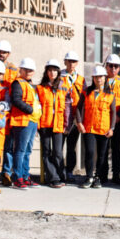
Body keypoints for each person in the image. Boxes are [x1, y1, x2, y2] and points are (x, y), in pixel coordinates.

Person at [75, 65, 116, 189]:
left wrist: (112, 128)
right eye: (96, 77)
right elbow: (78, 108)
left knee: (102, 155)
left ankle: (98, 177)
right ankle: (89, 177)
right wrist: (79, 123)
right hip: (89, 128)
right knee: (90, 152)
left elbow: (113, 112)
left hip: (104, 129)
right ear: (93, 78)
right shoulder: (86, 92)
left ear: (105, 78)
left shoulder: (110, 94)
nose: (99, 79)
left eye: (101, 76)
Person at [36, 59, 71, 187]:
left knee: (58, 152)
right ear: (46, 72)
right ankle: (53, 178)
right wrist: (37, 125)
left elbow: (67, 108)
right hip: (45, 124)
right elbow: (36, 107)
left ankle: (61, 176)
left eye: (55, 70)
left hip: (58, 124)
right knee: (46, 152)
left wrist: (67, 124)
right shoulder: (40, 88)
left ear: (58, 72)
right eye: (50, 70)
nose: (52, 73)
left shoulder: (64, 87)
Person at [8, 57, 41, 188]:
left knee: (27, 150)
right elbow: (16, 100)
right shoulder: (17, 83)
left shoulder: (29, 84)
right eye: (25, 69)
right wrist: (30, 110)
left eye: (30, 70)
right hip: (22, 121)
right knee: (20, 150)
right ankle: (18, 177)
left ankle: (25, 176)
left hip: (32, 121)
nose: (28, 72)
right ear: (20, 70)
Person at [100, 54, 120, 185]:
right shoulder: (100, 80)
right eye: (110, 66)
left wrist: (118, 116)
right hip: (103, 120)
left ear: (119, 68)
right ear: (106, 66)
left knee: (116, 148)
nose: (113, 68)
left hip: (118, 121)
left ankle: (116, 175)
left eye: (116, 66)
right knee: (103, 148)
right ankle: (103, 175)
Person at [61, 50, 85, 181]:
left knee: (71, 147)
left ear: (77, 63)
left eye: (74, 61)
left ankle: (69, 171)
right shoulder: (59, 76)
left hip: (75, 117)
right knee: (58, 147)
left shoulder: (81, 79)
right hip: (62, 117)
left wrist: (81, 118)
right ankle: (59, 171)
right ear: (65, 62)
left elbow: (84, 98)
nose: (71, 64)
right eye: (69, 61)